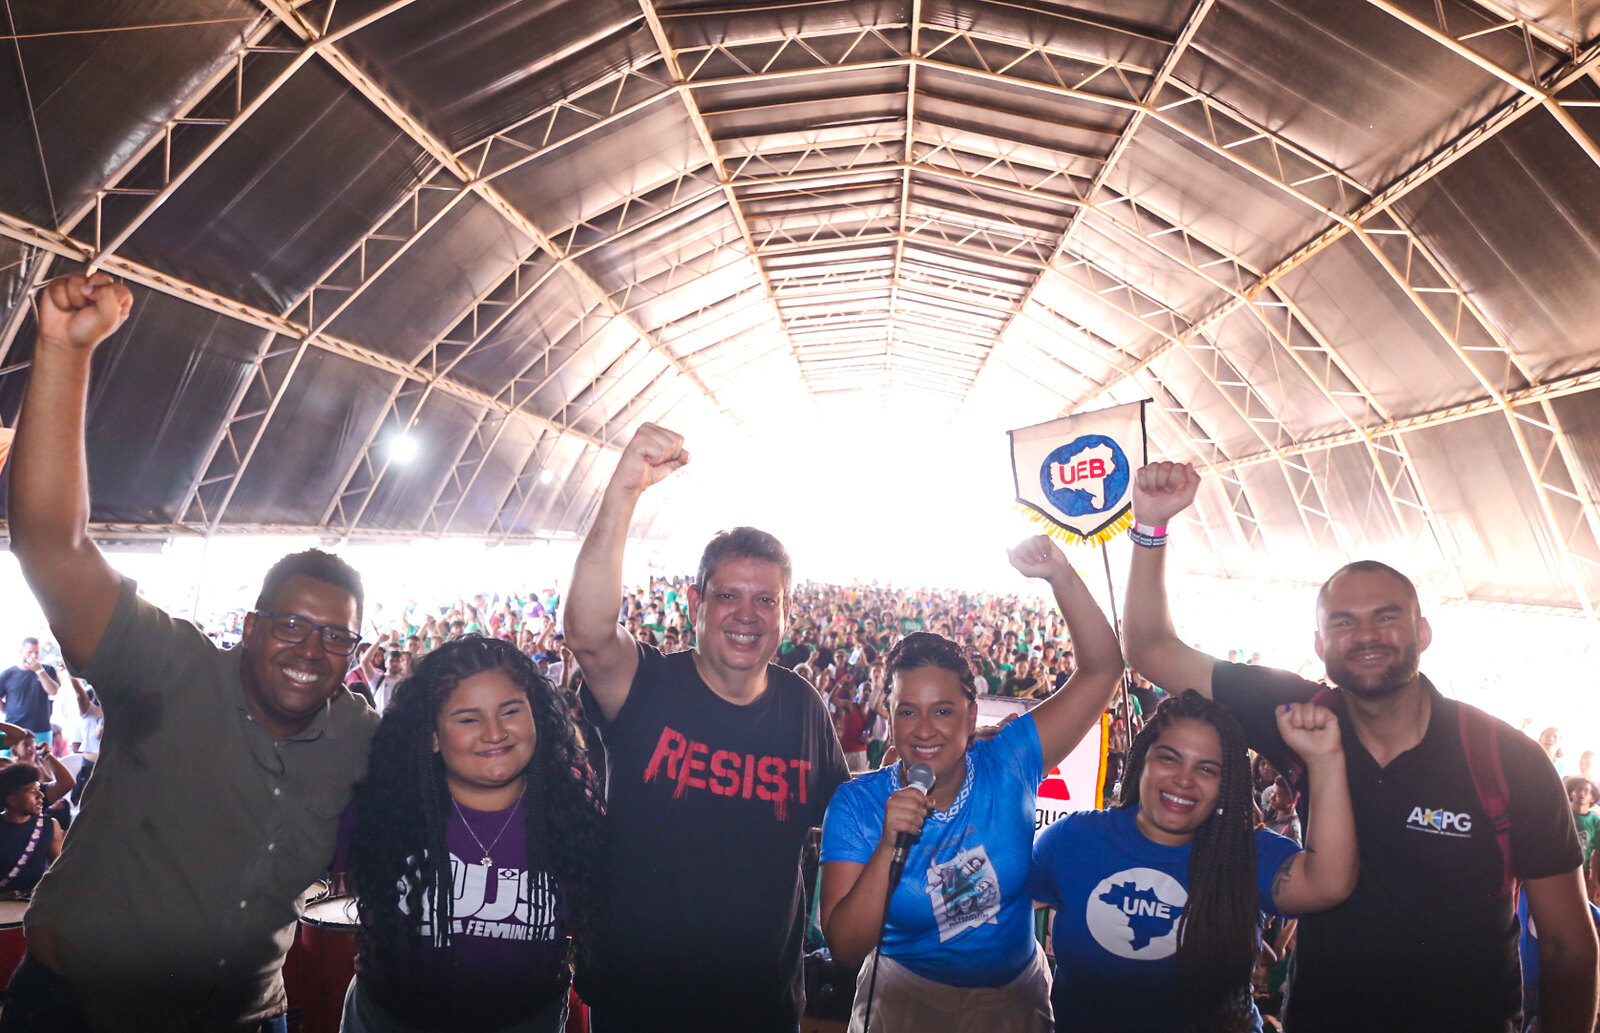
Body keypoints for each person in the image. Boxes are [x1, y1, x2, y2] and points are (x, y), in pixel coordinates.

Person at [1, 272, 379, 1033]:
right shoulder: (169, 669)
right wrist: (63, 353)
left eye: (337, 634)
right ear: (249, 623)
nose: (312, 647)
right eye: (291, 623)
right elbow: (53, 544)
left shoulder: (361, 740)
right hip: (76, 1012)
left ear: (356, 652)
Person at [1122, 460, 1597, 1033]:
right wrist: (1150, 526)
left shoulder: (1505, 758)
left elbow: (1570, 944)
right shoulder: (1298, 716)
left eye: (1387, 617)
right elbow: (1149, 648)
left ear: (1422, 632)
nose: (1367, 636)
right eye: (1344, 623)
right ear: (1319, 643)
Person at [564, 423, 849, 1033]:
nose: (747, 614)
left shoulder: (804, 708)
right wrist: (624, 492)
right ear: (697, 605)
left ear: (786, 613)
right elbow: (588, 634)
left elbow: (851, 810)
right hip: (639, 1005)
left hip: (761, 1008)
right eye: (728, 596)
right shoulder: (647, 686)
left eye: (766, 600)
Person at [817, 535, 1123, 1033]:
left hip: (1013, 1005)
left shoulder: (1012, 760)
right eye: (907, 711)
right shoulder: (858, 805)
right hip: (904, 1004)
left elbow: (1103, 670)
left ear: (971, 713)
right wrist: (890, 843)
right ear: (888, 716)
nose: (923, 729)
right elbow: (846, 948)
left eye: (943, 711)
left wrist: (1060, 575)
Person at [1029, 691, 1356, 1032]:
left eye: (1206, 768)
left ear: (1226, 782)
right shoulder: (1075, 838)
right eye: (1169, 758)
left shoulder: (1249, 853)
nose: (1184, 780)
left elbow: (1329, 883)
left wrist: (1326, 762)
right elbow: (998, 911)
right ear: (1142, 760)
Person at [337, 636, 604, 1033]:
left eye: (510, 711)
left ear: (538, 718)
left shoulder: (573, 814)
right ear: (431, 735)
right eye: (468, 718)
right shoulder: (382, 808)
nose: (494, 732)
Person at [0, 763, 64, 896]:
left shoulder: (50, 825)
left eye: (39, 789)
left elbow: (58, 871)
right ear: (12, 800)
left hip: (34, 903)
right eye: (32, 791)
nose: (41, 796)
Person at [0, 638, 61, 746]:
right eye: (29, 652)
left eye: (36, 652)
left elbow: (53, 691)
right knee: (9, 761)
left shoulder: (47, 670)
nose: (33, 656)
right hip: (14, 727)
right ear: (21, 651)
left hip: (41, 727)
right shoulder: (8, 674)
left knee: (42, 760)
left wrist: (39, 671)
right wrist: (6, 709)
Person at [1566, 777, 1600, 902]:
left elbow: (1597, 853)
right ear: (1571, 793)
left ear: (1593, 798)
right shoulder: (1563, 817)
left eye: (1587, 790)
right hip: (1562, 870)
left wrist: (1594, 880)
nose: (1582, 793)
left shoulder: (1595, 822)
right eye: (1578, 789)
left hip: (1583, 871)